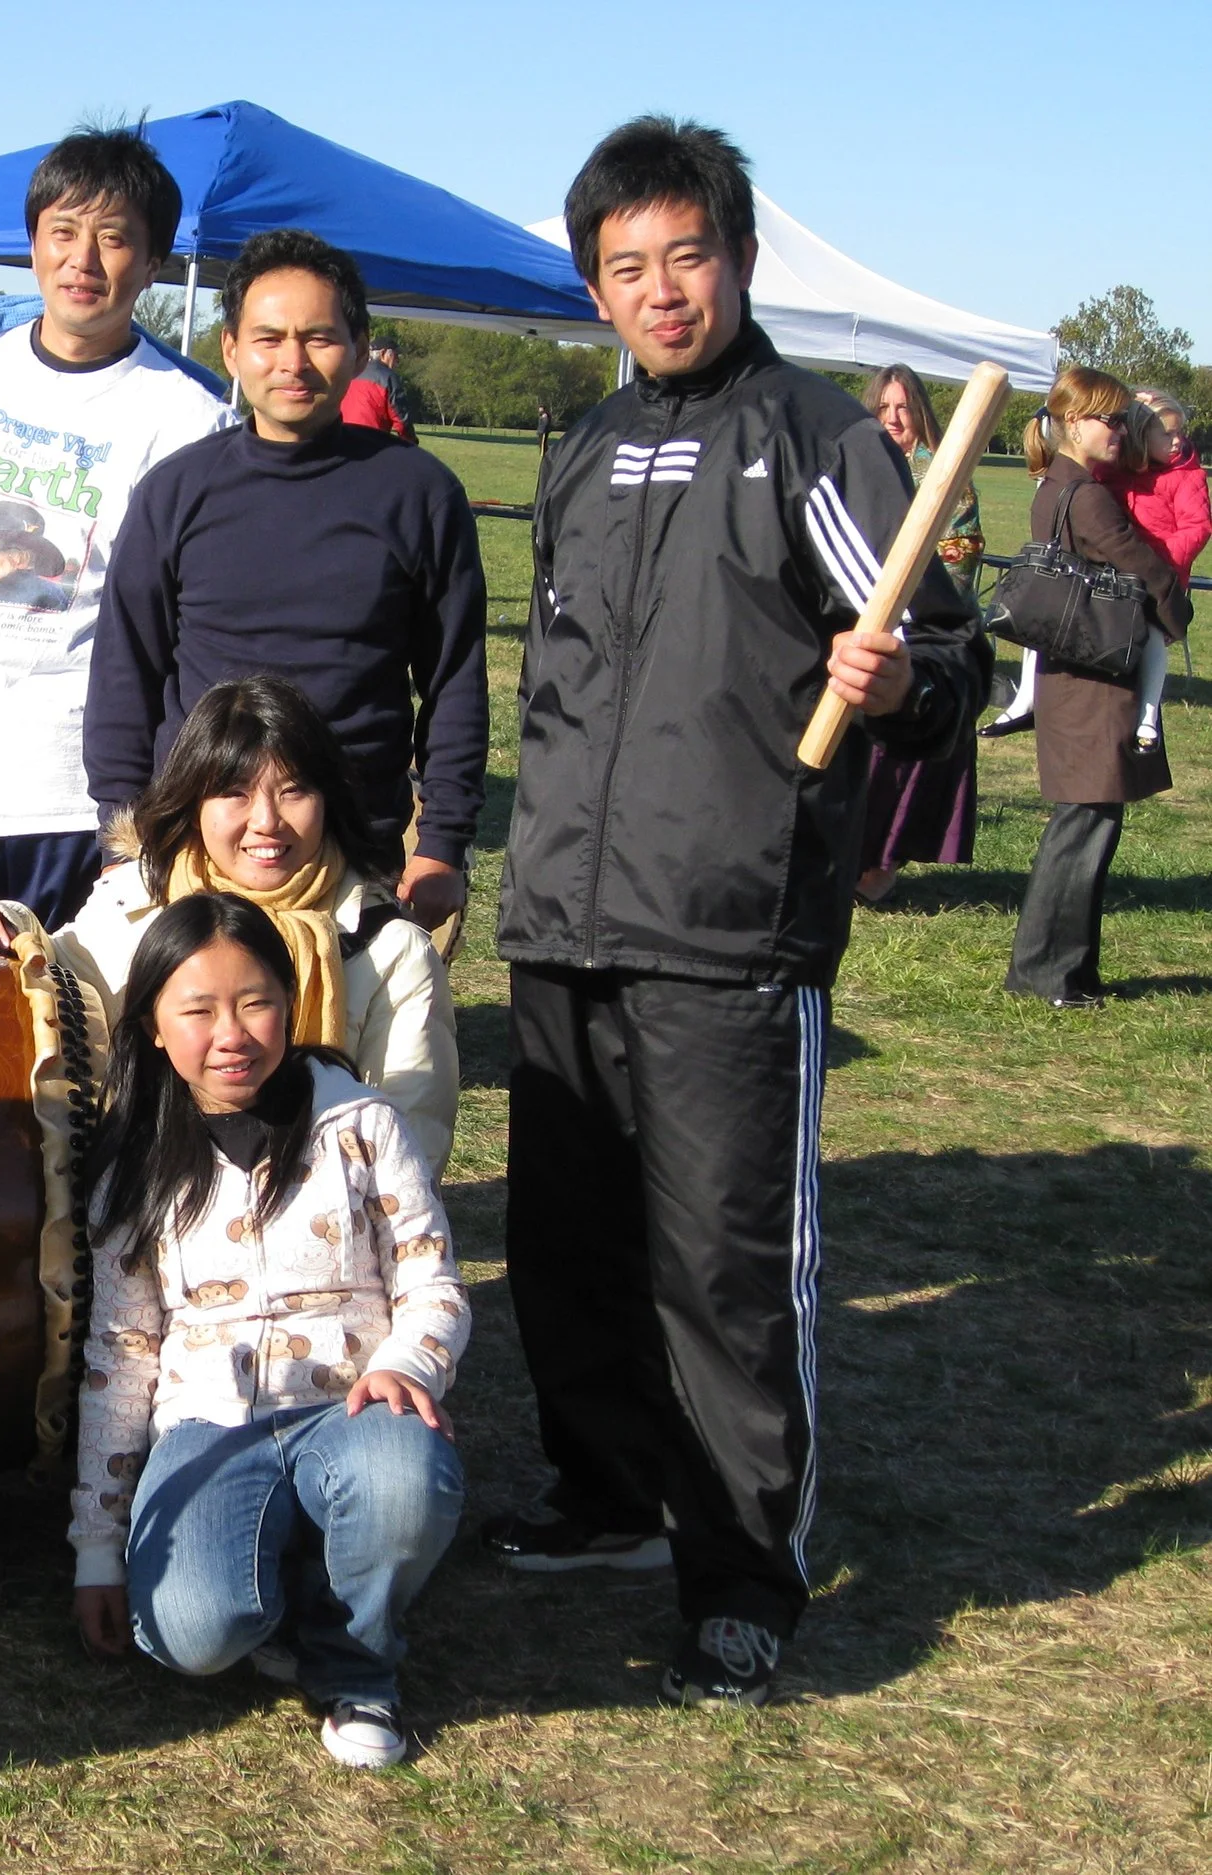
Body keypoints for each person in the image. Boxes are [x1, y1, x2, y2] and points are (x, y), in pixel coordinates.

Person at [492, 118, 987, 1707]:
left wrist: (904, 677)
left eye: (685, 256)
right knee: (564, 1246)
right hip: (562, 919)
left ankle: (740, 1569)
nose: (661, 290)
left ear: (741, 258)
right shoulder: (578, 448)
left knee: (718, 1265)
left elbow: (943, 656)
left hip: (725, 930)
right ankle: (608, 1498)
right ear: (594, 287)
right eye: (625, 267)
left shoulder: (817, 438)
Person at [69, 893, 467, 1770]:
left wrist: (407, 1363)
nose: (232, 1033)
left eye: (255, 1001)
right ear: (153, 1026)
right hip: (210, 1427)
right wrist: (96, 1550)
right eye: (198, 1009)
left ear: (290, 1003)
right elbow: (121, 1359)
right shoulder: (132, 1166)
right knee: (188, 1634)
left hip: (351, 1409)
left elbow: (434, 1279)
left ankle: (358, 1664)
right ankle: (290, 1582)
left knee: (405, 1482)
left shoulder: (358, 1122)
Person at [0, 123, 233, 927]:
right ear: (32, 242)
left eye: (113, 239)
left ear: (152, 264)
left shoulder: (185, 418)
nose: (83, 259)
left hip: (77, 793)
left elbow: (179, 620)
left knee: (75, 1024)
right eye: (62, 231)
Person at [84, 229, 489, 938]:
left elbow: (455, 680)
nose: (293, 362)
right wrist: (125, 837)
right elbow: (126, 672)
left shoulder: (418, 493)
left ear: (361, 349)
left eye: (319, 337)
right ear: (232, 350)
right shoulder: (176, 492)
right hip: (198, 852)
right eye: (268, 339)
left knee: (355, 1049)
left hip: (355, 858)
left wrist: (443, 843)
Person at [0, 675, 457, 1174]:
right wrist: (0, 923)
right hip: (136, 1216)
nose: (267, 821)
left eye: (293, 791)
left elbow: (409, 1151)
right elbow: (59, 982)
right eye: (235, 793)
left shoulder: (392, 950)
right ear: (195, 802)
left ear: (327, 799)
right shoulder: (135, 900)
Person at [1004, 367, 1191, 1007]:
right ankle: (1045, 973)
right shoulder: (1085, 496)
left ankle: (1066, 970)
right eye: (1108, 420)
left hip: (1076, 672)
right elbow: (1142, 565)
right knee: (1082, 830)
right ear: (1073, 421)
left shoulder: (1059, 486)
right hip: (1094, 680)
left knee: (1086, 825)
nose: (1118, 431)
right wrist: (1176, 612)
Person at [853, 362, 984, 902]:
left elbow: (958, 559)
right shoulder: (854, 468)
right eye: (883, 408)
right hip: (855, 632)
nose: (894, 418)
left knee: (905, 755)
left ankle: (880, 869)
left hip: (920, 642)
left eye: (904, 407)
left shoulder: (948, 478)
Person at [1103, 388, 1206, 752]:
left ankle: (1148, 713)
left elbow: (1197, 527)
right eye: (1167, 433)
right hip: (1116, 575)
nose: (1178, 441)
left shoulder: (1187, 476)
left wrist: (1158, 565)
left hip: (1159, 578)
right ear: (1141, 433)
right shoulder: (1114, 471)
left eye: (1180, 432)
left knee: (1152, 632)